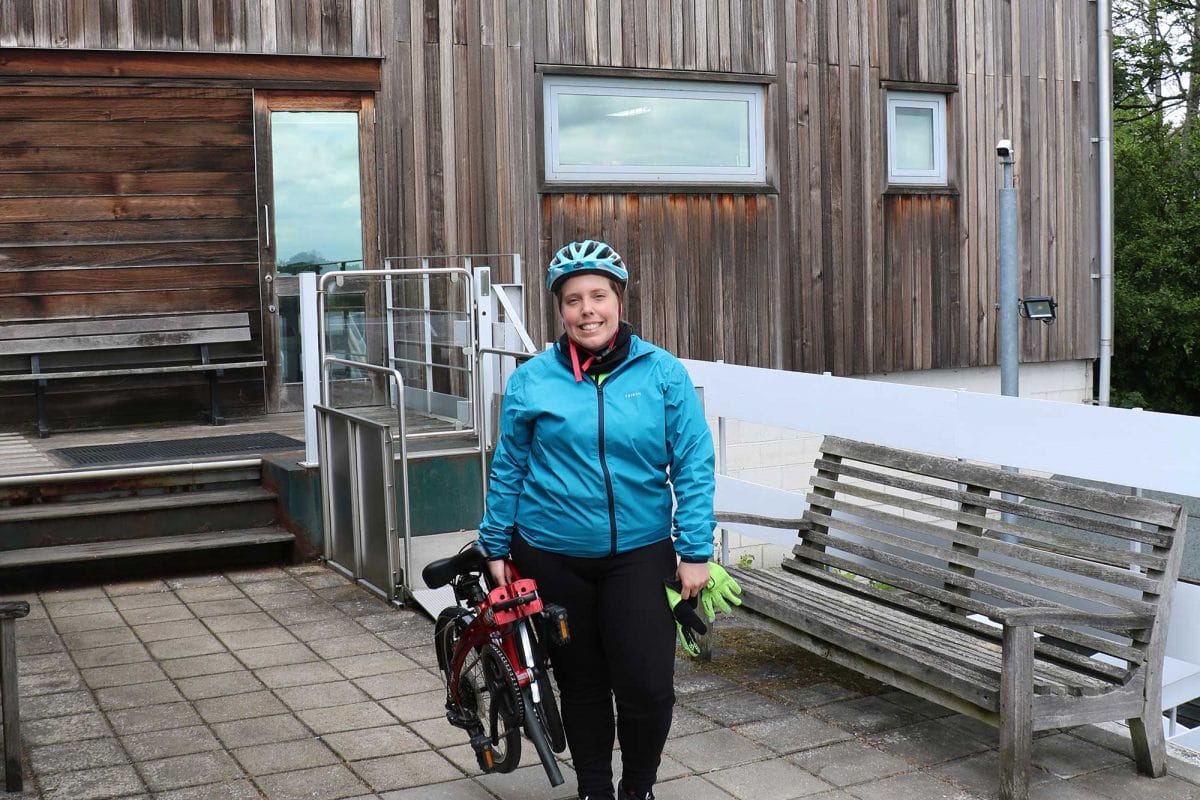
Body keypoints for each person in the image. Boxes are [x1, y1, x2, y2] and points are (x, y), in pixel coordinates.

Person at [478, 240, 716, 800]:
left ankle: (638, 790)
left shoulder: (661, 373)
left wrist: (697, 550)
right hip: (553, 556)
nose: (587, 310)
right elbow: (509, 465)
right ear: (559, 310)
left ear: (619, 300)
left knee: (648, 687)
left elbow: (694, 463)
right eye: (573, 300)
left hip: (639, 555)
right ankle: (594, 791)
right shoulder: (533, 380)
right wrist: (494, 544)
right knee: (582, 684)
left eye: (598, 296)